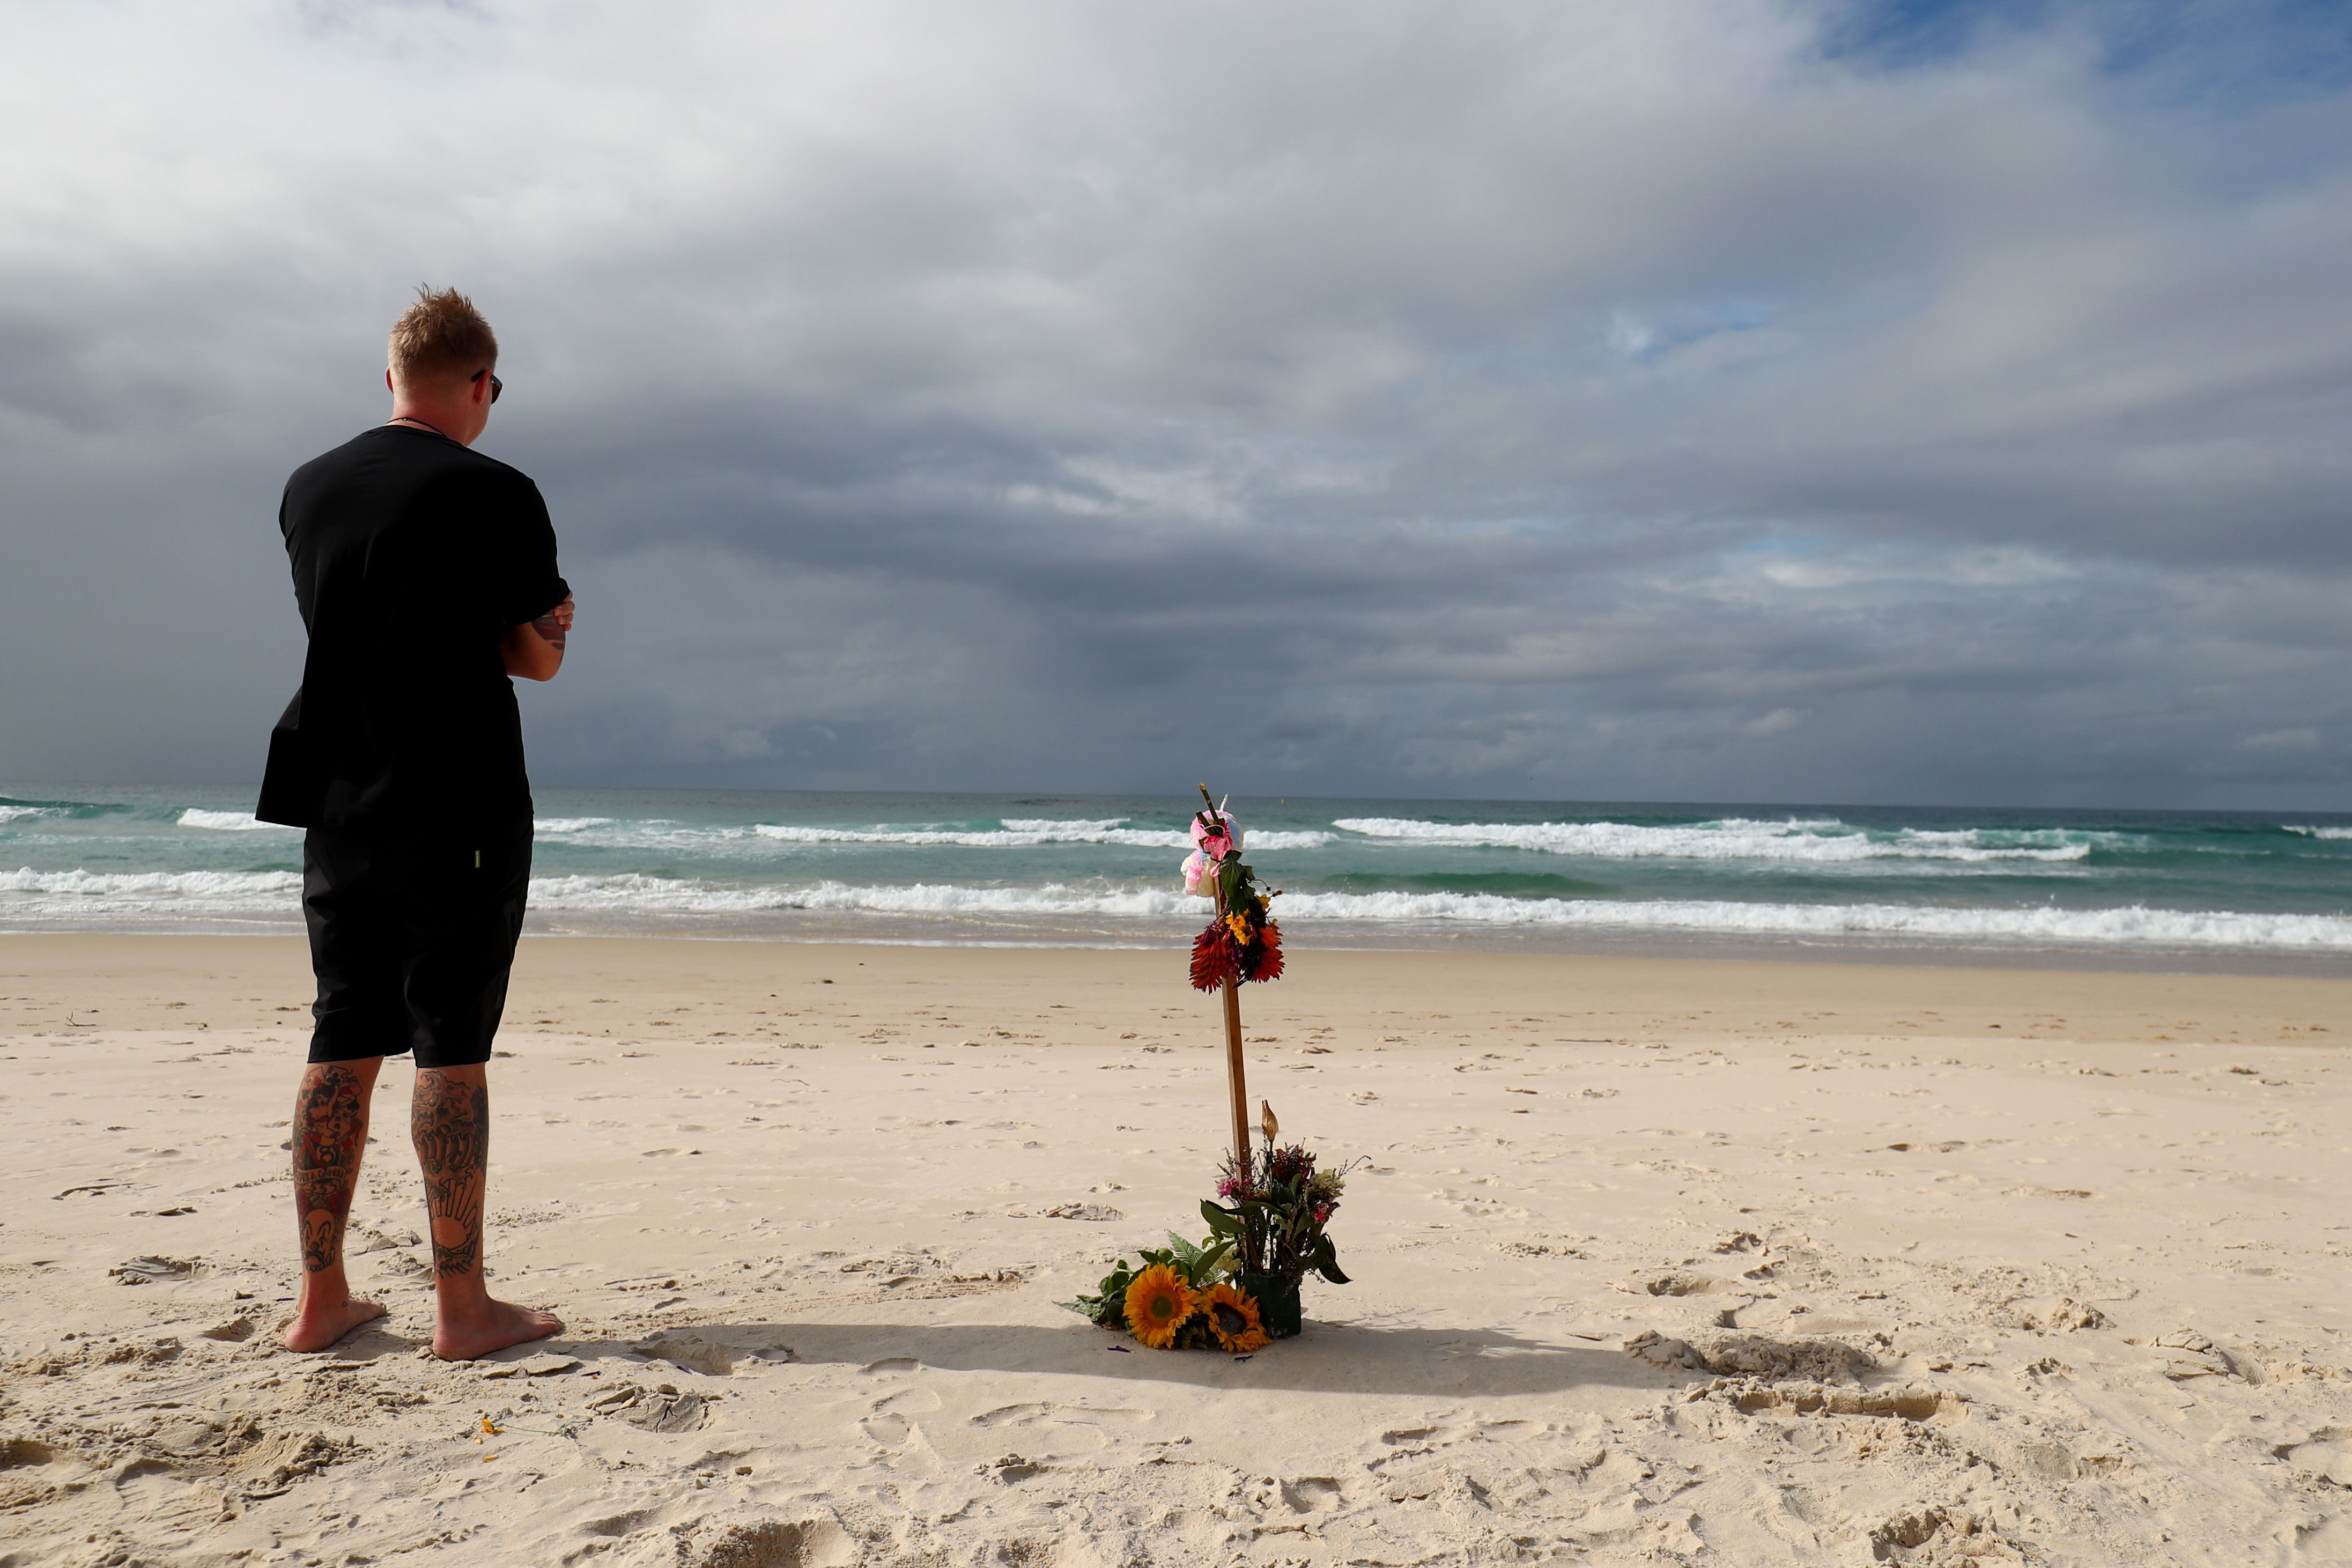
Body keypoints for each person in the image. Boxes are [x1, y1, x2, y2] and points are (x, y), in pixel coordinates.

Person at [255, 287, 574, 1359]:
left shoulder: (310, 488)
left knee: (342, 1031)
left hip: (337, 790)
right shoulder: (498, 490)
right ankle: (463, 1308)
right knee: (451, 1045)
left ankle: (319, 1300)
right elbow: (533, 655)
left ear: (388, 377)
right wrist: (541, 630)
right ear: (481, 384)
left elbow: (363, 624)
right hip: (458, 790)